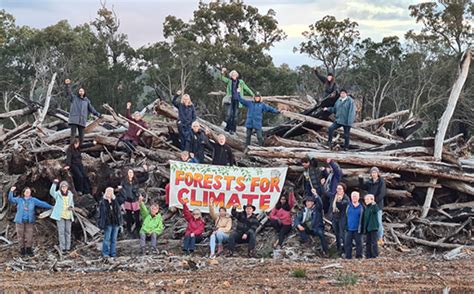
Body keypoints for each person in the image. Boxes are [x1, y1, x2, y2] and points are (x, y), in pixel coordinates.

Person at [8, 186, 53, 256]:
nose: (28, 193)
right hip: (20, 221)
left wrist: (51, 206)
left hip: (29, 221)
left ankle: (29, 250)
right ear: (24, 193)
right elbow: (11, 199)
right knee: (20, 236)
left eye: (29, 192)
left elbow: (42, 203)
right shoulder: (19, 199)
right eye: (27, 192)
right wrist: (11, 191)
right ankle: (22, 250)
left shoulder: (33, 200)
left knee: (29, 236)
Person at [216, 68, 255, 134]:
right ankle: (228, 127)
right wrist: (222, 72)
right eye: (232, 75)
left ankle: (233, 130)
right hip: (230, 100)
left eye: (235, 74)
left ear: (237, 75)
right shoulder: (229, 81)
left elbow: (247, 89)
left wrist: (253, 95)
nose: (234, 75)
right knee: (228, 114)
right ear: (231, 76)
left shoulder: (241, 82)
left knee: (235, 116)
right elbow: (221, 78)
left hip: (238, 100)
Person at [64, 79, 101, 145]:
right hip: (74, 119)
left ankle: (80, 148)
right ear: (78, 92)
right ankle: (71, 148)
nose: (81, 92)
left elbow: (91, 109)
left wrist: (98, 114)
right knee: (73, 134)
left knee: (81, 136)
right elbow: (68, 92)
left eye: (82, 91)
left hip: (82, 120)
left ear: (84, 92)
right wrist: (67, 85)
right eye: (80, 91)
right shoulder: (74, 98)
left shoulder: (86, 101)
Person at [118, 165, 149, 238]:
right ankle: (129, 232)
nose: (130, 174)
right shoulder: (124, 182)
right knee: (128, 217)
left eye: (131, 172)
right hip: (128, 201)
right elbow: (122, 192)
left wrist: (146, 170)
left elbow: (145, 178)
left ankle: (138, 232)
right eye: (129, 172)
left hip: (135, 200)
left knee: (137, 217)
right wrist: (122, 201)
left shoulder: (136, 181)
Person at [294, 191, 328, 255]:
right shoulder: (304, 210)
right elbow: (297, 219)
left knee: (321, 234)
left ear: (313, 203)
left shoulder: (317, 209)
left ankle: (325, 251)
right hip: (308, 228)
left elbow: (320, 203)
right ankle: (307, 241)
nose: (308, 203)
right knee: (299, 227)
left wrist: (316, 195)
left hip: (317, 228)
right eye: (307, 202)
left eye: (309, 202)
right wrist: (298, 225)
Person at [359, 167, 386, 245]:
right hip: (370, 205)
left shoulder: (381, 181)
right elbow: (363, 187)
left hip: (377, 205)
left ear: (378, 173)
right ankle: (372, 238)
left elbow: (382, 193)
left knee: (378, 221)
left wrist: (374, 200)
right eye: (372, 173)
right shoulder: (370, 182)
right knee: (371, 222)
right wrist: (360, 179)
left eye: (375, 172)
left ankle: (380, 239)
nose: (373, 174)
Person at [49, 179, 75, 253]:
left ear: (67, 187)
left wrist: (71, 207)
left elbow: (72, 204)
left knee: (68, 232)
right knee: (61, 232)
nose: (64, 188)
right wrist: (54, 183)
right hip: (60, 215)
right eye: (62, 187)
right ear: (60, 187)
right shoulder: (58, 194)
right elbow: (51, 192)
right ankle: (62, 247)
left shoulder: (70, 194)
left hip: (68, 215)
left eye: (65, 186)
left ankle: (68, 247)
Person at [97, 187, 123, 258]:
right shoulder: (102, 202)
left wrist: (113, 200)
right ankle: (105, 253)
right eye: (108, 192)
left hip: (115, 222)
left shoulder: (115, 200)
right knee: (107, 238)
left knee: (114, 239)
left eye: (110, 192)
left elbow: (118, 210)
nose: (109, 194)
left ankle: (113, 253)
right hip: (108, 223)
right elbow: (102, 213)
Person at [331, 183, 350, 255]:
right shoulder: (334, 196)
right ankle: (338, 249)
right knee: (337, 234)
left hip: (342, 218)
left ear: (343, 190)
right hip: (334, 217)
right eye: (337, 188)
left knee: (342, 234)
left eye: (340, 189)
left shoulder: (346, 198)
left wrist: (339, 202)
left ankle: (345, 250)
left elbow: (343, 207)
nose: (338, 190)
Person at [345, 191, 364, 259]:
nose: (354, 198)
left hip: (357, 229)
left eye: (356, 196)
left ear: (358, 197)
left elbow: (363, 218)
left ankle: (359, 256)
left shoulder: (361, 207)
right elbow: (345, 216)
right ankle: (348, 257)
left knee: (359, 244)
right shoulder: (348, 206)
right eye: (353, 196)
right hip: (349, 228)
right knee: (347, 244)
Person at [363, 194, 379, 259]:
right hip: (367, 227)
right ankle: (368, 255)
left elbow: (376, 210)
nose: (366, 201)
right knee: (368, 242)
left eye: (367, 199)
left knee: (374, 242)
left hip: (373, 227)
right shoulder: (367, 207)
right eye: (365, 199)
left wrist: (373, 203)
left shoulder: (373, 206)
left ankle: (375, 255)